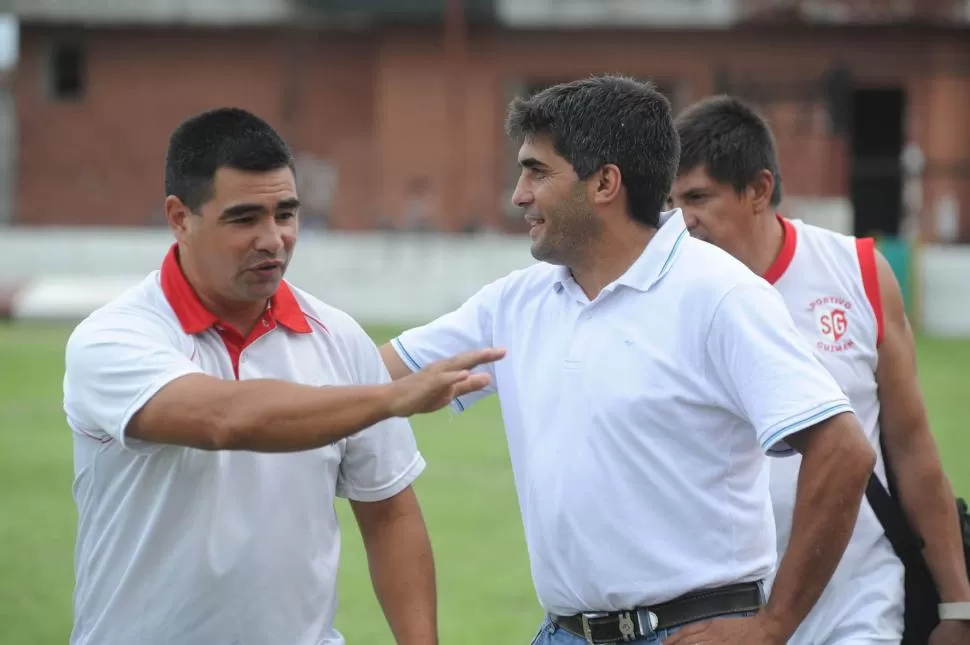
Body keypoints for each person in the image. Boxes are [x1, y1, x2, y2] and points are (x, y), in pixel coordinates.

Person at [378, 75, 876, 645]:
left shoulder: (719, 296)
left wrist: (774, 626)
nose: (518, 194)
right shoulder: (515, 303)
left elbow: (843, 449)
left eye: (537, 171)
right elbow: (367, 376)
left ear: (605, 183)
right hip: (562, 633)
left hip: (690, 632)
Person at [61, 107, 504, 645]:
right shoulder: (113, 338)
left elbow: (389, 517)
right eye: (245, 219)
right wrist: (389, 398)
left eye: (286, 213)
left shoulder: (339, 338)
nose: (274, 239)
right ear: (180, 217)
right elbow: (225, 419)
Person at [669, 94, 970, 645]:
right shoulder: (665, 295)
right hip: (721, 613)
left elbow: (912, 448)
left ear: (759, 189)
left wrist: (958, 605)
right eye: (671, 202)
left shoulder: (856, 273)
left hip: (857, 606)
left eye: (698, 198)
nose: (681, 221)